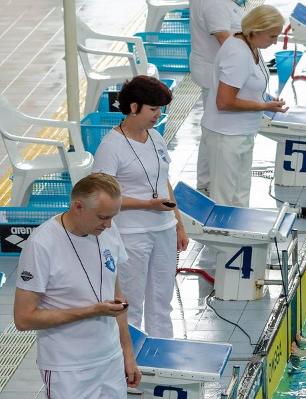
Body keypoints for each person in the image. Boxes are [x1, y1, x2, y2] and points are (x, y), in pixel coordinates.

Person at [13, 173, 141, 399]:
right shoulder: (43, 244)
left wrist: (127, 352)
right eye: (102, 217)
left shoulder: (106, 231)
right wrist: (90, 311)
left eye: (112, 217)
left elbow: (116, 294)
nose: (108, 224)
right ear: (77, 206)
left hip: (109, 359)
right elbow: (23, 318)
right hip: (67, 367)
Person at [93, 76, 188, 338]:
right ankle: (129, 356)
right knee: (131, 303)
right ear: (134, 107)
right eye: (153, 109)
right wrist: (147, 204)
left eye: (160, 109)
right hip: (131, 235)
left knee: (162, 301)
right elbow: (102, 197)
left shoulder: (155, 137)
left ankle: (162, 351)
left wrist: (178, 224)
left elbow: (164, 180)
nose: (158, 115)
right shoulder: (111, 147)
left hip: (164, 230)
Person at [199, 5, 289, 207]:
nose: (275, 42)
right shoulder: (237, 53)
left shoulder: (251, 45)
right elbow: (224, 102)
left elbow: (248, 86)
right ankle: (220, 229)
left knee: (240, 195)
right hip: (226, 135)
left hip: (241, 132)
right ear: (255, 31)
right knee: (224, 199)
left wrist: (266, 101)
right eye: (272, 36)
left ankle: (239, 227)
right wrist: (263, 106)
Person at [190, 0, 245, 196]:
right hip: (216, 74)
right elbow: (225, 40)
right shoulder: (215, 3)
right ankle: (208, 184)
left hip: (217, 71)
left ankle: (207, 183)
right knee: (214, 132)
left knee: (211, 130)